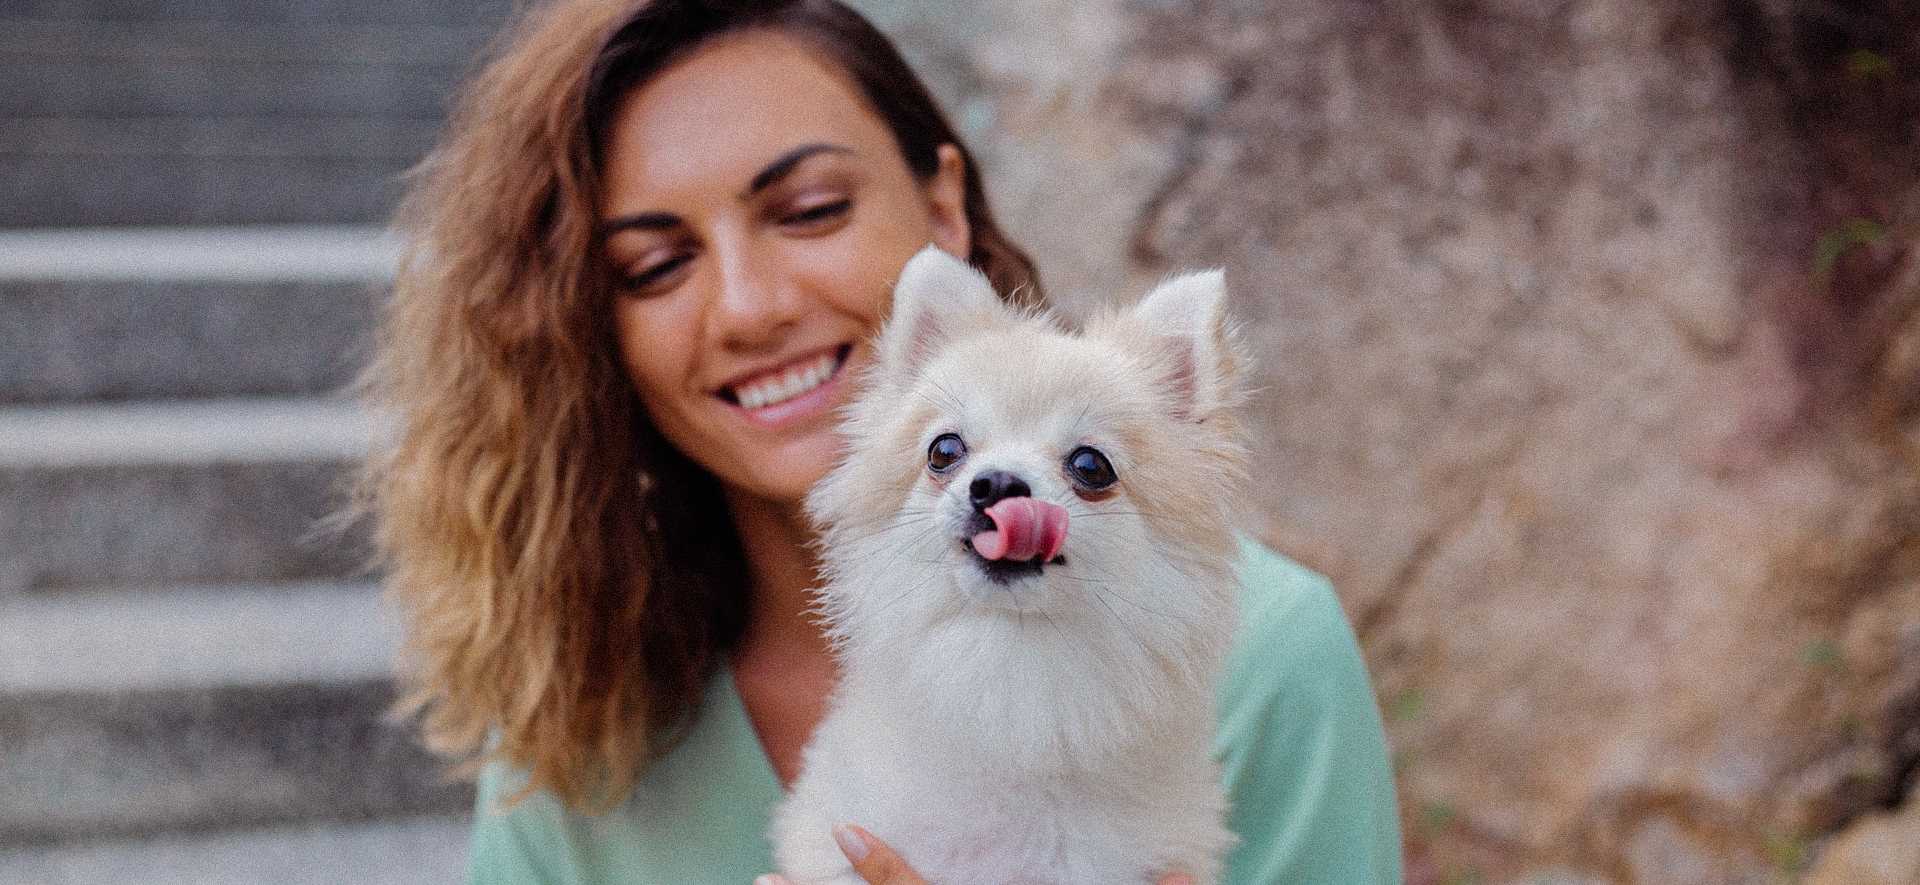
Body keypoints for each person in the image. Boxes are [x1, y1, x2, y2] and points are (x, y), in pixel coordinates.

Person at [359, 0, 1404, 883]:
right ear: (591, 330)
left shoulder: (1267, 662)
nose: (749, 307)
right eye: (652, 266)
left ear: (942, 206)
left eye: (809, 210)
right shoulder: (579, 702)